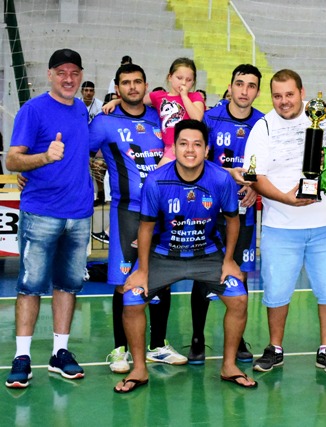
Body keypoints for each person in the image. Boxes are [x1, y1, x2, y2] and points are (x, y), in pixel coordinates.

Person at [115, 119, 256, 393]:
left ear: (206, 149)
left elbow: (233, 220)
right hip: (164, 255)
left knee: (238, 298)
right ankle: (140, 370)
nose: (189, 150)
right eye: (183, 144)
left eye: (196, 144)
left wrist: (229, 260)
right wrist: (142, 269)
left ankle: (229, 366)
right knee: (131, 299)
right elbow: (145, 228)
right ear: (174, 147)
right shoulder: (157, 180)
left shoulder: (220, 178)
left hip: (208, 255)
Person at [243, 69, 326, 375]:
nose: (284, 101)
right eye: (277, 96)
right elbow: (255, 176)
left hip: (325, 224)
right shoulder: (262, 127)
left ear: (302, 93)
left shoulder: (324, 117)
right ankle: (275, 348)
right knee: (276, 292)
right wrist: (285, 198)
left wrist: (325, 160)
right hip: (280, 226)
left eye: (290, 94)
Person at [5, 49, 93, 388]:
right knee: (30, 286)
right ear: (50, 74)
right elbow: (13, 160)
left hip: (80, 213)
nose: (69, 79)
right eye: (62, 73)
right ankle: (22, 357)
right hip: (41, 212)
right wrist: (43, 157)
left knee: (68, 284)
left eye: (74, 72)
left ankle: (60, 352)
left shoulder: (82, 109)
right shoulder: (33, 110)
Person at [89, 63, 185, 373]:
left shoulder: (160, 115)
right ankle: (119, 351)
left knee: (162, 277)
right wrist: (92, 167)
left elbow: (189, 117)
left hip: (162, 213)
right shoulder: (104, 122)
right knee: (124, 282)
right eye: (126, 83)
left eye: (137, 82)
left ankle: (158, 346)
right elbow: (82, 152)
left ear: (146, 85)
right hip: (126, 211)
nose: (132, 87)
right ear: (117, 88)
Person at [189, 64, 264, 365]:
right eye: (240, 84)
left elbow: (266, 166)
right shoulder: (210, 118)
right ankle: (197, 338)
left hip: (244, 212)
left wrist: (257, 188)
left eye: (251, 86)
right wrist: (225, 174)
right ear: (230, 86)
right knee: (202, 272)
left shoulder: (263, 123)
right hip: (208, 209)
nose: (244, 91)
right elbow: (194, 159)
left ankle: (238, 337)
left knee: (239, 275)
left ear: (257, 91)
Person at [103, 57, 205, 166]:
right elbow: (136, 100)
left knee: (158, 175)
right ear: (170, 77)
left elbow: (197, 118)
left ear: (193, 81)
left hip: (184, 145)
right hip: (166, 147)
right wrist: (116, 102)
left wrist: (184, 96)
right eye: (179, 78)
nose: (183, 83)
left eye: (189, 80)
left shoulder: (195, 97)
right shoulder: (158, 96)